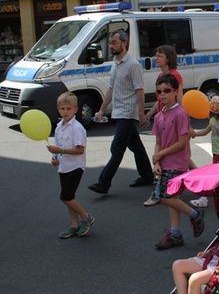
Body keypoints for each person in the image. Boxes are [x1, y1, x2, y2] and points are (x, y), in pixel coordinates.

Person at [88, 30, 154, 194]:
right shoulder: (116, 63)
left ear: (124, 43)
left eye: (114, 43)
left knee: (117, 148)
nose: (111, 46)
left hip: (127, 112)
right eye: (110, 43)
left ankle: (104, 182)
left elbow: (140, 90)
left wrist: (140, 114)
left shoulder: (133, 65)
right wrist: (102, 110)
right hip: (118, 111)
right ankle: (147, 175)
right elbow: (111, 88)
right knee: (136, 146)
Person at [151, 74, 205, 249]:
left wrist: (160, 155)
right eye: (159, 91)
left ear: (175, 91)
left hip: (177, 163)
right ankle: (176, 234)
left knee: (165, 197)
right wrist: (157, 162)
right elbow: (158, 142)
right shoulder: (159, 116)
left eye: (167, 90)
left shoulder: (181, 114)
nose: (163, 94)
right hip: (164, 163)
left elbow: (182, 142)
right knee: (172, 198)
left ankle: (194, 213)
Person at [143, 45, 198, 207]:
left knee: (180, 156)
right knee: (184, 158)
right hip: (164, 118)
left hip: (175, 120)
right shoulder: (161, 75)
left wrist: (186, 123)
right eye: (156, 54)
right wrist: (150, 113)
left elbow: (180, 99)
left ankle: (159, 193)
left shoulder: (175, 76)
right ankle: (203, 188)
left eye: (160, 55)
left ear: (168, 58)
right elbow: (159, 99)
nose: (156, 57)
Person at [47, 92, 95, 238]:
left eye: (69, 108)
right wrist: (55, 157)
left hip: (75, 167)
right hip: (64, 167)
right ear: (58, 109)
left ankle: (86, 217)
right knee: (69, 196)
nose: (65, 112)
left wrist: (60, 150)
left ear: (76, 109)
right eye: (62, 109)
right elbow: (58, 145)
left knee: (66, 197)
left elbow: (80, 150)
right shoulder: (59, 127)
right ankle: (75, 224)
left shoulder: (77, 128)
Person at [189, 96, 219, 207]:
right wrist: (196, 134)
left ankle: (204, 198)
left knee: (215, 177)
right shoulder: (213, 120)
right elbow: (206, 131)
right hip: (217, 154)